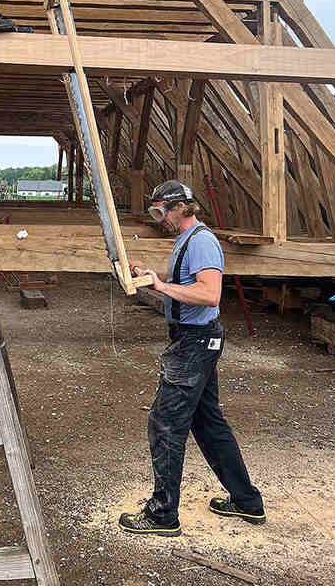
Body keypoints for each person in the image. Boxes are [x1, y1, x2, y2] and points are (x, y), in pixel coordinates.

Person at [119, 180, 265, 537]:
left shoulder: (201, 241)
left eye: (162, 211)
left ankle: (162, 515)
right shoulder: (187, 240)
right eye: (156, 212)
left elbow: (210, 293)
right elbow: (185, 278)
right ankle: (247, 502)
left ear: (183, 206)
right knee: (208, 424)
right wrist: (152, 275)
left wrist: (161, 288)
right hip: (197, 341)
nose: (160, 218)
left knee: (165, 423)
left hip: (194, 343)